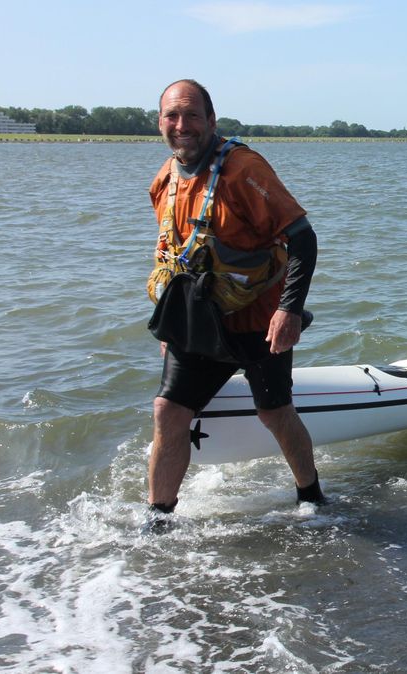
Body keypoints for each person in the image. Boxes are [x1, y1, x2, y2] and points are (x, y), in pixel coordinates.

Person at [145, 79, 324, 525]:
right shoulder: (164, 180)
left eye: (191, 115)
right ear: (160, 122)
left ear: (211, 121)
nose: (181, 125)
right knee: (168, 411)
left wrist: (288, 311)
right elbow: (169, 253)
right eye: (172, 115)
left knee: (275, 413)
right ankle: (158, 518)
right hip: (198, 320)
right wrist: (169, 330)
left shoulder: (244, 170)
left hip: (258, 322)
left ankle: (312, 497)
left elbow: (303, 239)